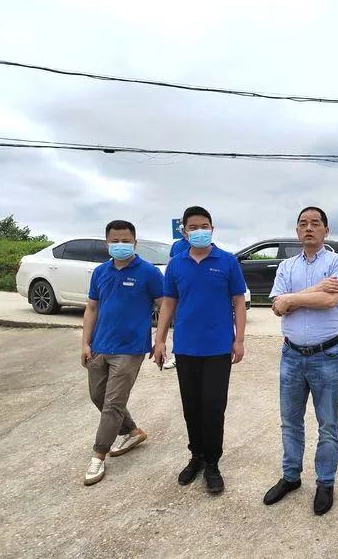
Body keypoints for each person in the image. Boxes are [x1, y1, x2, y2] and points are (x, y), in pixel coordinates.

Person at [263, 206, 338, 515]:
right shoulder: (286, 266)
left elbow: (330, 300)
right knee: (290, 421)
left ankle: (325, 482)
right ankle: (291, 477)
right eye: (303, 223)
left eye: (315, 223)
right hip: (291, 355)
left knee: (327, 424)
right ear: (297, 231)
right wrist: (308, 293)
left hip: (326, 355)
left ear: (326, 230)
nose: (309, 228)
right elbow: (277, 308)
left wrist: (291, 298)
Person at [152, 206, 247, 495]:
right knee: (191, 406)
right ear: (184, 231)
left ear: (212, 229)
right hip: (187, 348)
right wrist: (160, 340)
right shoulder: (176, 265)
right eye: (193, 227)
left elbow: (239, 301)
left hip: (218, 347)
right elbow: (168, 303)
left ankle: (212, 463)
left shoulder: (227, 261)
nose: (199, 231)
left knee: (214, 406)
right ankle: (196, 456)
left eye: (204, 225)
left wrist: (239, 340)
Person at [81, 220, 164, 486]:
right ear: (107, 243)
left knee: (113, 403)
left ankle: (98, 455)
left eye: (125, 241)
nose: (120, 245)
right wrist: (85, 343)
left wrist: (160, 340)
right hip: (100, 345)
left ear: (135, 243)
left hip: (130, 348)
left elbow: (164, 306)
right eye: (115, 241)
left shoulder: (149, 272)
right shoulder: (100, 272)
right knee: (98, 396)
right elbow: (92, 308)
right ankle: (132, 431)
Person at [162, 235, 191, 370]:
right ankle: (176, 355)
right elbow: (170, 265)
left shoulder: (205, 245)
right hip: (179, 291)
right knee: (177, 323)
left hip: (194, 291)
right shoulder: (177, 245)